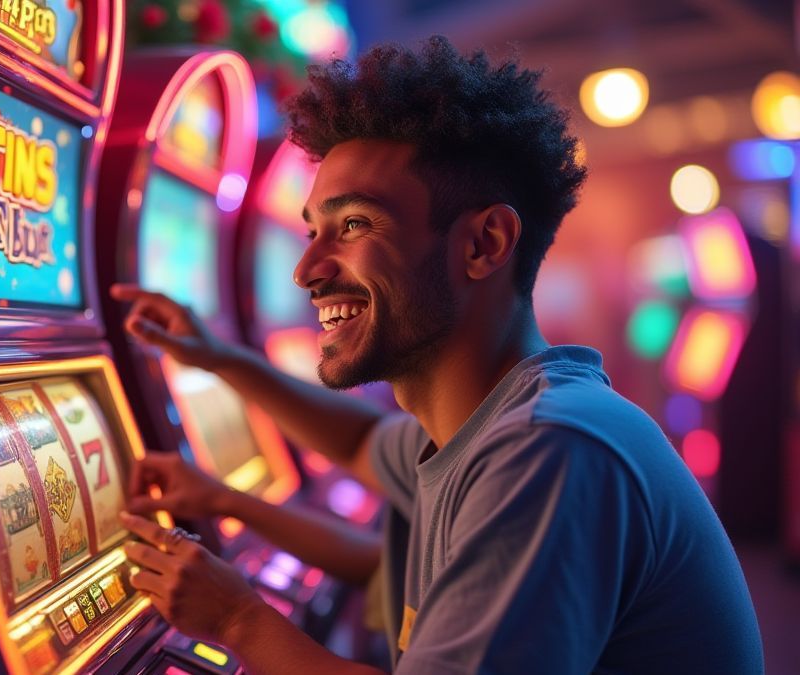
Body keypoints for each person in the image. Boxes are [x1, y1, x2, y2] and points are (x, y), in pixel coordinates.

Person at [112, 36, 764, 674]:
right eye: (313, 230)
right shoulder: (487, 422)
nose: (306, 268)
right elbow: (363, 439)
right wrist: (220, 360)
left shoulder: (550, 450)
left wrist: (236, 620)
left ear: (484, 243)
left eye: (355, 224)